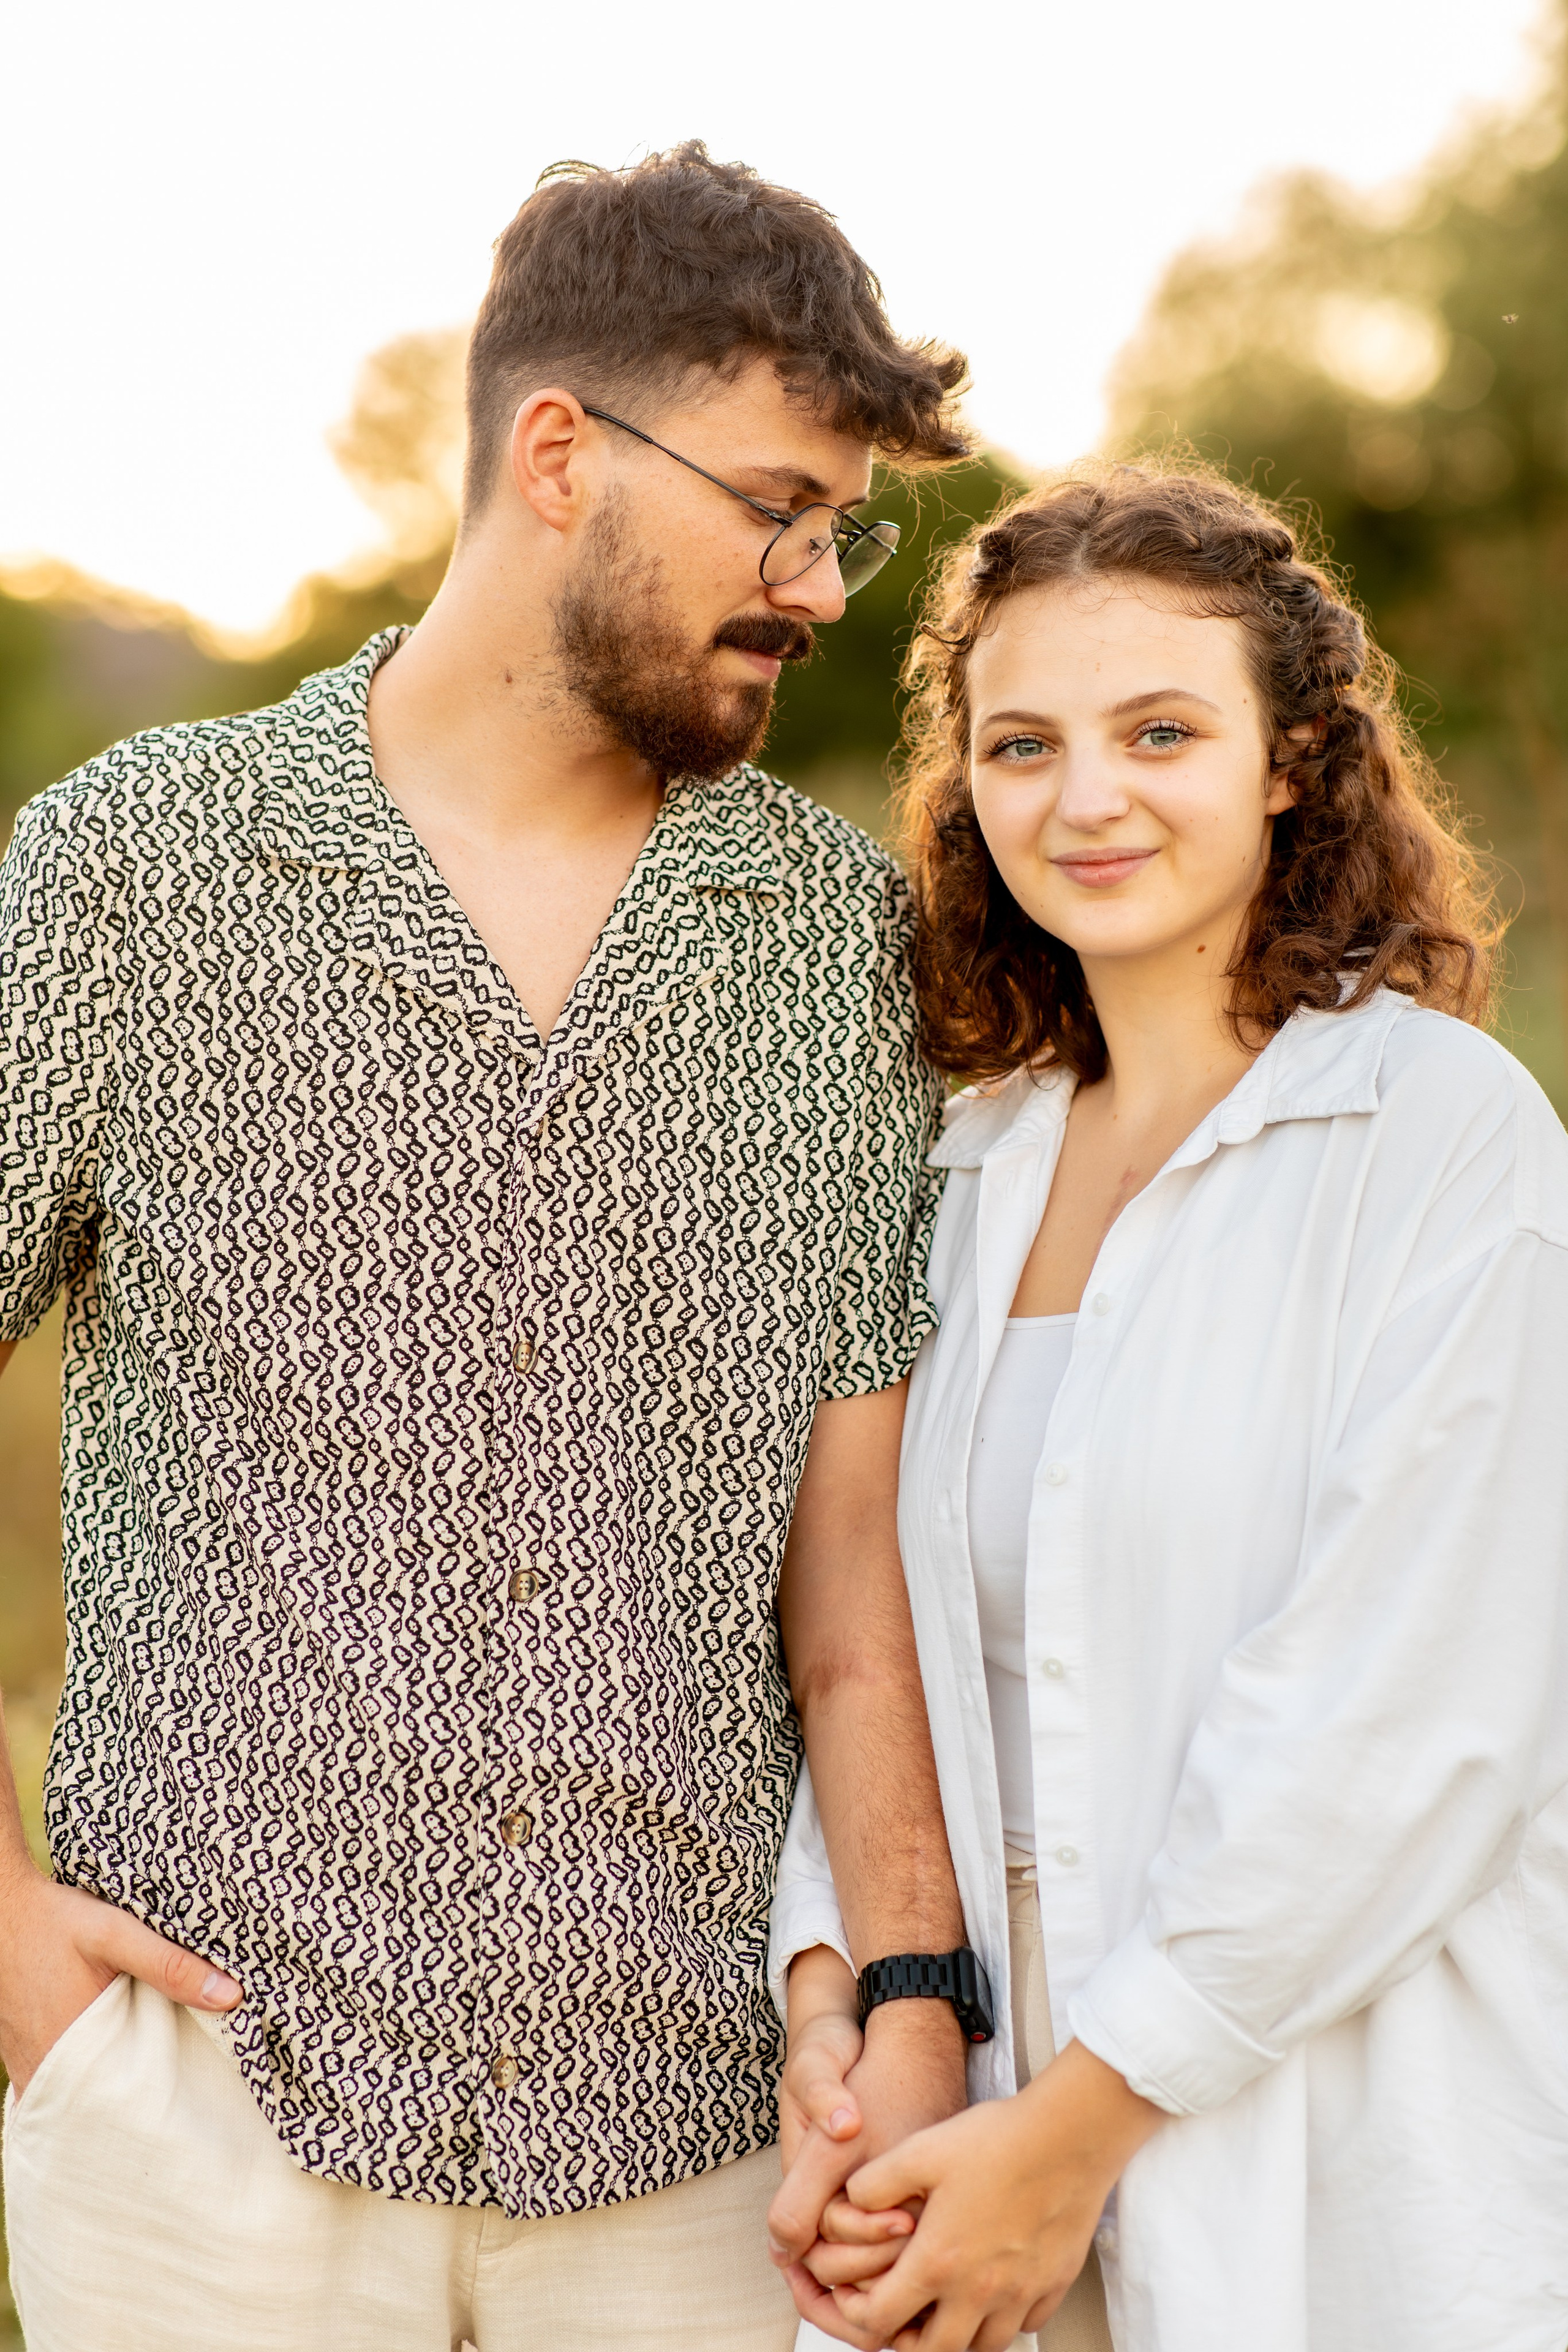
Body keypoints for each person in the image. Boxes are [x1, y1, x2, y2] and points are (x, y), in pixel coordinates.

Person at [0, 144, 978, 2351]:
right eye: (775, 503)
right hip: (209, 2131)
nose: (820, 582)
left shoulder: (825, 947)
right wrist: (9, 1948)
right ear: (560, 454)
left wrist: (911, 1990)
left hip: (702, 2163)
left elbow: (852, 1576)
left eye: (841, 523)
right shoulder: (138, 870)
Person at [767, 464, 1568, 2352]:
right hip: (961, 2145)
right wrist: (841, 2007)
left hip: (1327, 2144)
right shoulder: (961, 1173)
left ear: (1291, 761)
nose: (1087, 796)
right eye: (1023, 742)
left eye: (1161, 731)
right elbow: (876, 1641)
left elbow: (1415, 1723)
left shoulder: (1442, 1146)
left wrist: (1080, 2131)